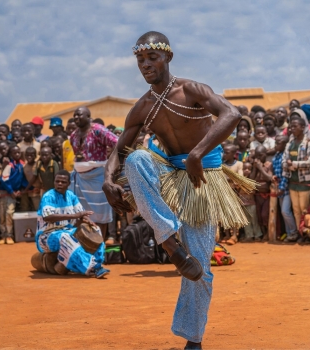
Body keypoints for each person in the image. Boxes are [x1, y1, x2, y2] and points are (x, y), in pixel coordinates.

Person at [102, 31, 252, 349]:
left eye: (152, 57)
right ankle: (169, 242)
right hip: (170, 173)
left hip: (203, 178)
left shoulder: (191, 90)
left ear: (168, 57)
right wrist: (106, 176)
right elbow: (120, 150)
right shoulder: (143, 108)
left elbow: (232, 114)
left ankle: (192, 339)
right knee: (138, 158)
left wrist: (198, 153)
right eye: (140, 59)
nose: (145, 64)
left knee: (198, 269)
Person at [35, 169, 109, 278]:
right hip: (46, 237)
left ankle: (98, 262)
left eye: (63, 182)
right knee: (66, 237)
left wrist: (88, 220)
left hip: (67, 231)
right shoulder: (48, 196)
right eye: (57, 181)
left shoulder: (71, 196)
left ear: (69, 183)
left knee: (95, 230)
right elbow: (48, 217)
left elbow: (81, 213)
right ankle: (92, 268)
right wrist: (75, 216)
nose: (59, 184)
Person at [70, 106, 118, 240]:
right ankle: (85, 245)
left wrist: (112, 163)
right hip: (80, 179)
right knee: (81, 213)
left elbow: (117, 143)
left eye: (79, 115)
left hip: (97, 177)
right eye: (74, 115)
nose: (76, 118)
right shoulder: (74, 135)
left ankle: (98, 246)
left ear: (88, 116)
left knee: (100, 214)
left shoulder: (98, 130)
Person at [282, 117, 310, 230]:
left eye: (295, 126)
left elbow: (308, 163)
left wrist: (293, 164)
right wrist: (293, 164)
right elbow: (283, 162)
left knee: (304, 209)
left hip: (304, 183)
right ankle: (300, 232)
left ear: (302, 127)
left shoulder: (308, 143)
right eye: (290, 126)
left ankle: (307, 232)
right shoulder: (289, 144)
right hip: (293, 182)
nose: (292, 129)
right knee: (296, 210)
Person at [0, 145, 28, 245]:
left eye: (18, 152)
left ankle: (9, 235)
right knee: (1, 215)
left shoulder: (22, 165)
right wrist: (11, 191)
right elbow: (4, 179)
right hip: (4, 193)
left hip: (13, 193)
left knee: (9, 213)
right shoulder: (10, 166)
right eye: (15, 153)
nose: (17, 154)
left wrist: (25, 189)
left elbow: (23, 179)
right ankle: (3, 235)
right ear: (11, 154)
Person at [272, 135, 298, 243]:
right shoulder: (276, 155)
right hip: (279, 189)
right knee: (284, 213)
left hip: (286, 189)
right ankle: (289, 234)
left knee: (285, 211)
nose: (276, 145)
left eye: (279, 143)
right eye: (276, 142)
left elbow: (286, 174)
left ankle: (294, 232)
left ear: (285, 144)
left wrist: (282, 188)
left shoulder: (285, 157)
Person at [250, 145, 273, 240]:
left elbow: (269, 178)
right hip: (257, 195)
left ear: (265, 155)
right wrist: (255, 168)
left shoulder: (269, 165)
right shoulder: (254, 166)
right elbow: (251, 180)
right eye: (256, 156)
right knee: (259, 215)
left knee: (265, 215)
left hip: (266, 195)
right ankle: (264, 233)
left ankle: (268, 232)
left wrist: (260, 168)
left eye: (260, 155)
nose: (258, 158)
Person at [222, 144, 243, 245]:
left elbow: (239, 179)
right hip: (223, 193)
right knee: (224, 214)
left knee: (233, 214)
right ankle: (227, 235)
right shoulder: (222, 165)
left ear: (234, 154)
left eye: (227, 152)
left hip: (234, 193)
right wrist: (231, 179)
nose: (224, 154)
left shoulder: (239, 164)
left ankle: (234, 235)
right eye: (224, 152)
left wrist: (228, 179)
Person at [239, 161, 262, 242]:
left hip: (251, 203)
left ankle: (257, 235)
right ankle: (249, 235)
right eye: (245, 169)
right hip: (243, 203)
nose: (247, 170)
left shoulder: (252, 180)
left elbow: (253, 191)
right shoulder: (239, 179)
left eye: (249, 169)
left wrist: (244, 189)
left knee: (254, 220)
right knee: (246, 221)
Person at [21, 147, 41, 212]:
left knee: (39, 210)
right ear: (25, 156)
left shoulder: (38, 165)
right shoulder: (24, 167)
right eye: (27, 155)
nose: (29, 157)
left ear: (35, 156)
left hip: (39, 192)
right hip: (30, 192)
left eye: (31, 155)